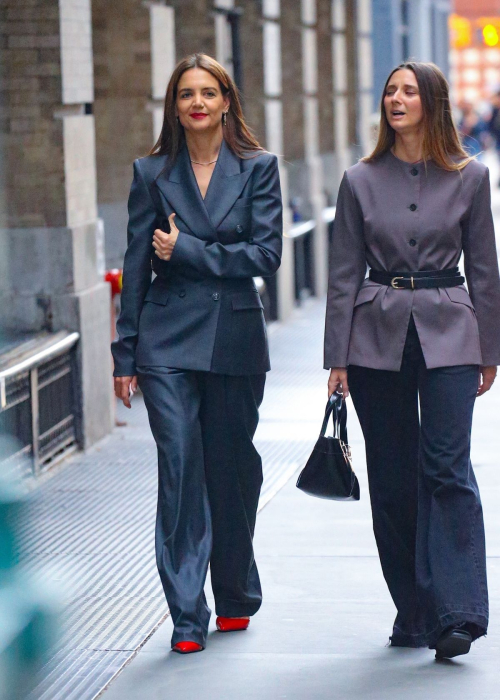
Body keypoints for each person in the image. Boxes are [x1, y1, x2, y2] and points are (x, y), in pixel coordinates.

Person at [324, 61, 500, 660]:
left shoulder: (470, 178)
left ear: (433, 102)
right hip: (375, 336)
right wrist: (337, 357)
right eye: (390, 91)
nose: (396, 99)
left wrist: (491, 349)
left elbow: (484, 269)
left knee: (447, 466)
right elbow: (343, 273)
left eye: (409, 91)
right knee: (394, 476)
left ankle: (459, 613)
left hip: (452, 331)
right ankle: (415, 609)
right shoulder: (359, 179)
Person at [111, 53, 282, 654]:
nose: (198, 102)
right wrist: (124, 352)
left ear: (227, 100)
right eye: (187, 94)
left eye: (209, 92)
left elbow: (265, 257)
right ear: (175, 106)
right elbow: (137, 261)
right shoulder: (150, 171)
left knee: (231, 468)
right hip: (165, 340)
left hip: (234, 338)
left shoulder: (259, 168)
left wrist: (188, 250)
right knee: (181, 467)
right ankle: (187, 614)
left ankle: (234, 590)